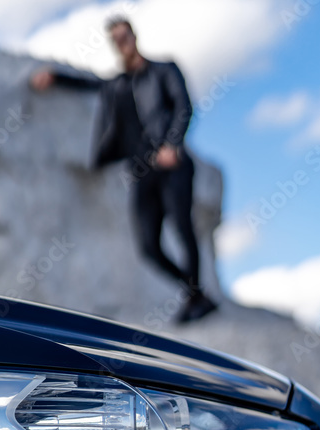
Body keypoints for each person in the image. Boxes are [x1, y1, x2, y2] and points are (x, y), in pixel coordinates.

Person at [31, 17, 217, 324]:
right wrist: (54, 76)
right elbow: (88, 84)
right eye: (116, 39)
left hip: (172, 164)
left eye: (125, 36)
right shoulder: (117, 84)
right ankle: (196, 293)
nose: (122, 43)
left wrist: (172, 144)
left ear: (134, 36)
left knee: (183, 228)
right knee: (148, 246)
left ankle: (196, 298)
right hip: (142, 170)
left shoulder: (163, 70)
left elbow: (184, 106)